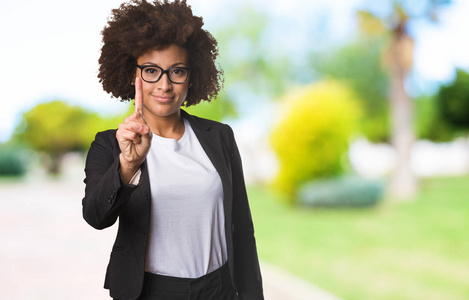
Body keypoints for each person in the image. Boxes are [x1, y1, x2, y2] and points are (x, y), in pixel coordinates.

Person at [82, 0, 264, 299]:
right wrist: (128, 165)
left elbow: (242, 228)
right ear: (133, 75)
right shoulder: (110, 143)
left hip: (219, 288)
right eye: (151, 71)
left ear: (191, 77)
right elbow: (96, 217)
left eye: (177, 71)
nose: (165, 85)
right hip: (152, 291)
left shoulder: (219, 136)